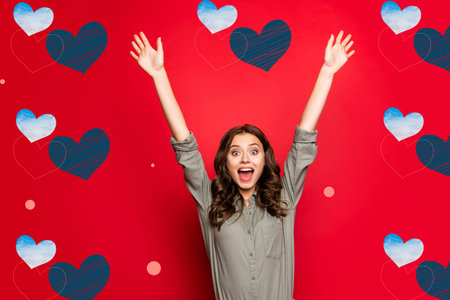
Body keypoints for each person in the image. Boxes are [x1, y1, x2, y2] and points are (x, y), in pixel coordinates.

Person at [130, 30, 354, 300]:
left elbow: (303, 140)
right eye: (236, 152)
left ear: (264, 160)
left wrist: (327, 71)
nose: (245, 158)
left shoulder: (285, 200)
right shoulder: (209, 203)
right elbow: (186, 148)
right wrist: (159, 75)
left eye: (254, 151)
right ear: (226, 162)